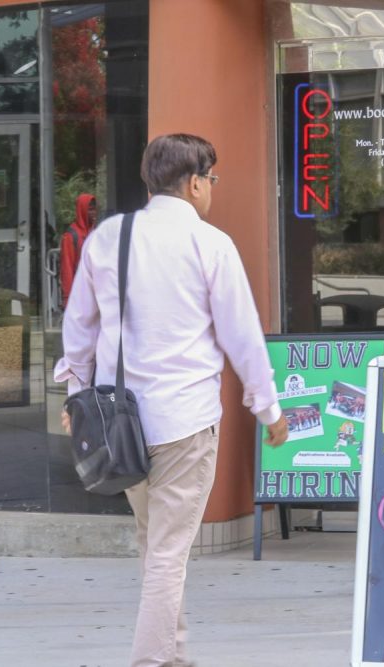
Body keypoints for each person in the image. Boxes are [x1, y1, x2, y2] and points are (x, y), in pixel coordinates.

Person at [54, 133, 289, 667]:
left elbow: (80, 329)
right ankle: (153, 661)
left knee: (156, 547)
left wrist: (75, 397)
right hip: (185, 424)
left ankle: (173, 653)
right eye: (212, 179)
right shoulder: (210, 244)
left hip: (120, 426)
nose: (212, 189)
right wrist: (269, 410)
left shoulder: (109, 236)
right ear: (195, 183)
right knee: (166, 555)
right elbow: (242, 336)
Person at [59, 193, 98, 308]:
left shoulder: (94, 231)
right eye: (90, 210)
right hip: (79, 291)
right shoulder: (70, 236)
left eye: (95, 210)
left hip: (94, 290)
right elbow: (67, 268)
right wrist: (68, 298)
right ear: (82, 210)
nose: (94, 213)